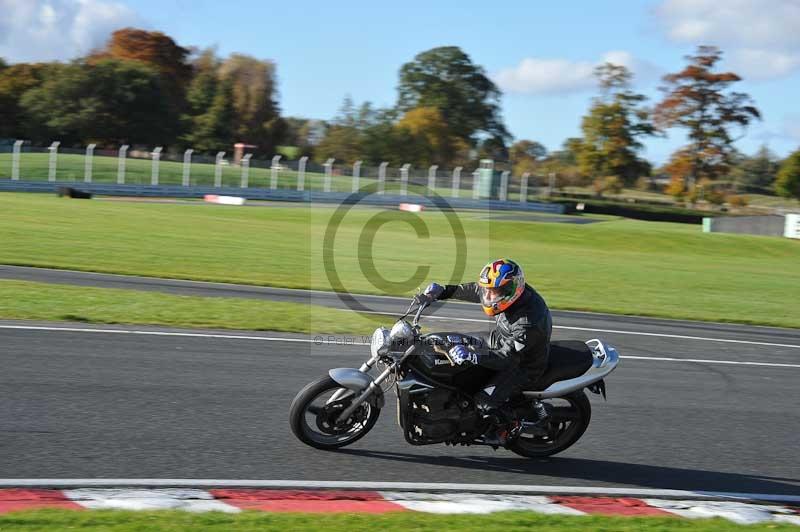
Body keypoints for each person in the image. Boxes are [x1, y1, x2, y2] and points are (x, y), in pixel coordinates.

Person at [418, 258, 552, 445]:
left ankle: (509, 428)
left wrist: (472, 354)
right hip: (500, 340)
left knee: (483, 402)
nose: (489, 296)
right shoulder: (506, 290)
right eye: (488, 290)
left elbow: (506, 357)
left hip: (522, 364)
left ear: (512, 290)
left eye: (495, 291)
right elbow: (476, 290)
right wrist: (443, 291)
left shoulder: (528, 322)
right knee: (445, 340)